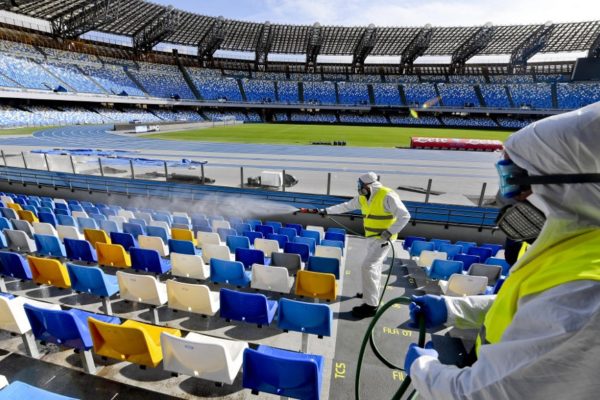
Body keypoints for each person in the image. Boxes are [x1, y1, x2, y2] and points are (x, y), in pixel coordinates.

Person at [403, 102, 600, 399]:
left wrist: (423, 367)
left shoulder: (585, 296)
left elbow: (483, 394)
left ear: (567, 185)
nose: (506, 198)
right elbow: (534, 308)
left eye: (512, 179)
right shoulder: (577, 248)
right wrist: (454, 309)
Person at [322, 172, 411, 318]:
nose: (358, 188)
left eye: (360, 185)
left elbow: (405, 215)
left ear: (369, 185)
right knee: (373, 268)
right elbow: (346, 206)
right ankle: (369, 292)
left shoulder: (387, 196)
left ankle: (371, 306)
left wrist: (389, 232)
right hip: (370, 238)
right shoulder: (363, 198)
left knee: (368, 267)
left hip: (383, 240)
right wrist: (326, 211)